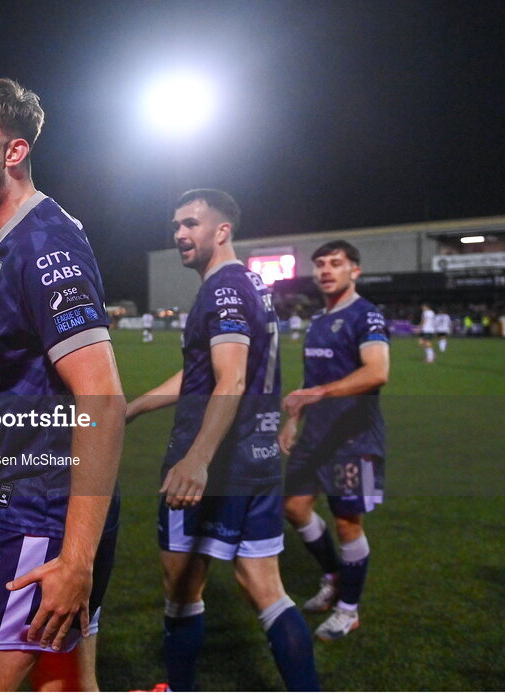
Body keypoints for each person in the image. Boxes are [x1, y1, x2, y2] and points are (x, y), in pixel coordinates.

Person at [0, 76, 125, 691]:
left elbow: (102, 398)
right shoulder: (18, 244)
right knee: (63, 688)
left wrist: (74, 560)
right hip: (43, 511)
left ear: (14, 152)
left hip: (36, 517)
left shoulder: (43, 246)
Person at [126, 189, 318, 691]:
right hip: (257, 463)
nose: (179, 235)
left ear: (222, 231)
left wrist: (196, 459)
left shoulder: (224, 289)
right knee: (268, 591)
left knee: (182, 590)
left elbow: (230, 380)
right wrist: (136, 406)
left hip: (216, 469)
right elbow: (206, 373)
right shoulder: (250, 285)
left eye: (191, 224)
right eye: (175, 226)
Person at [279, 240, 389, 642]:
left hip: (354, 439)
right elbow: (312, 380)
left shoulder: (366, 315)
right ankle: (333, 577)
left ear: (354, 271)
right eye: (321, 264)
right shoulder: (318, 321)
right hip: (315, 436)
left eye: (336, 264)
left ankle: (349, 609)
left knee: (347, 523)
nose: (326, 270)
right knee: (293, 507)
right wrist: (294, 419)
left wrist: (318, 395)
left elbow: (377, 372)